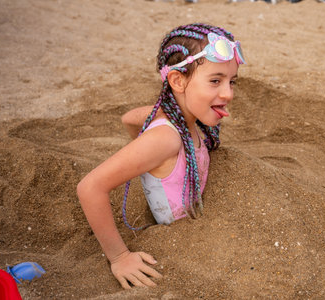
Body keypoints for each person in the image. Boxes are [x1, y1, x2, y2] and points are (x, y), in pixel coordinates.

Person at [76, 23, 245, 289]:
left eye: (232, 81)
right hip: (177, 245)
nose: (228, 93)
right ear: (178, 81)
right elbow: (89, 187)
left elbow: (129, 119)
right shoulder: (166, 139)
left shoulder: (187, 120)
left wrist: (150, 160)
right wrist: (119, 257)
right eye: (215, 81)